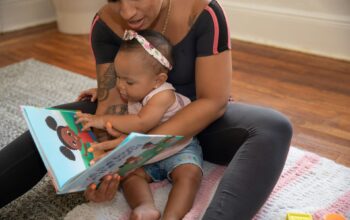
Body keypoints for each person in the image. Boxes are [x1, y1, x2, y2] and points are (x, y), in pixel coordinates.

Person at [0, 0, 292, 219]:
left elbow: (213, 101)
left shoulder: (201, 12)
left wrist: (139, 145)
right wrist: (102, 171)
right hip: (131, 118)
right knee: (51, 126)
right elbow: (112, 109)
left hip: (201, 124)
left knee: (273, 128)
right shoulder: (104, 23)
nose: (127, 12)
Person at [75, 30, 203, 219]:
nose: (120, 86)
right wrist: (100, 90)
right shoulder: (132, 91)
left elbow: (141, 123)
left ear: (158, 80)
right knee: (128, 175)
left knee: (189, 175)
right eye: (118, 77)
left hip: (178, 148)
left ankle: (172, 215)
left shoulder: (163, 95)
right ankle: (145, 206)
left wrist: (101, 120)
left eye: (129, 81)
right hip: (146, 151)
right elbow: (119, 102)